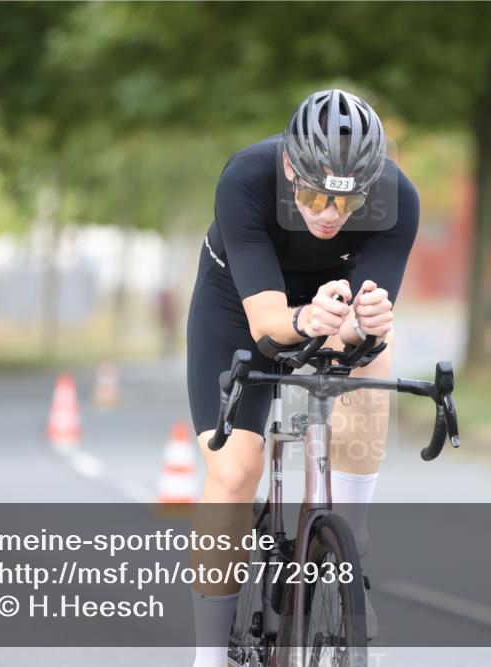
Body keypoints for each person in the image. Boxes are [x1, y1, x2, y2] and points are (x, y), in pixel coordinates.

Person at [186, 89, 419, 666]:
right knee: (235, 473)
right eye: (314, 195)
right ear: (291, 167)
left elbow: (355, 334)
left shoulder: (399, 200)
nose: (329, 214)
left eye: (347, 201)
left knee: (374, 358)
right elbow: (267, 329)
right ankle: (209, 655)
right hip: (239, 305)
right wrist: (303, 318)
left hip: (326, 305)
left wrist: (361, 329)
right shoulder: (247, 177)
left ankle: (350, 541)